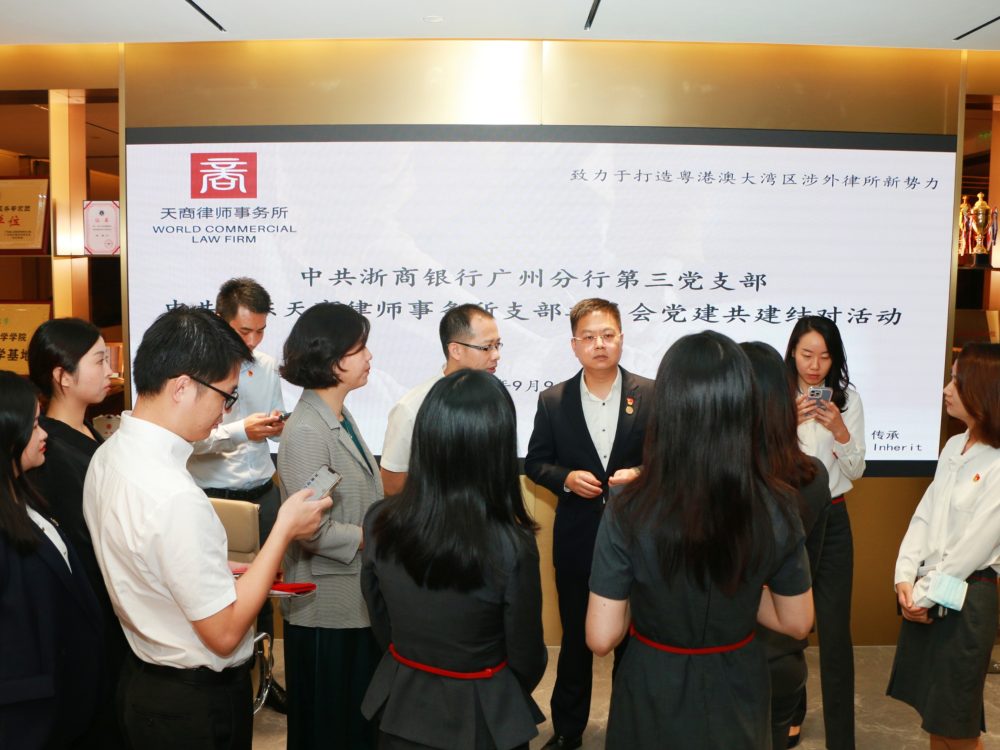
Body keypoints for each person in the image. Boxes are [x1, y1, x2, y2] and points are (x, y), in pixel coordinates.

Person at [83, 306, 331, 750]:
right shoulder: (174, 495)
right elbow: (224, 633)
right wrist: (284, 530)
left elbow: (149, 563)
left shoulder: (110, 454)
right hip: (192, 706)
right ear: (182, 387)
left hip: (143, 681)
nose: (225, 412)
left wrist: (221, 569)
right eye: (225, 395)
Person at [585, 330, 814, 749]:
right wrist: (738, 592)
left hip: (652, 688)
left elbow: (601, 638)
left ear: (667, 408)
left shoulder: (627, 506)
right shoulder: (777, 504)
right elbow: (797, 621)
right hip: (738, 686)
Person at [360, 369, 547, 749]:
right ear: (497, 449)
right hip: (484, 714)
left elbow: (380, 619)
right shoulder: (512, 545)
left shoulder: (379, 520)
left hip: (402, 706)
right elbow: (526, 657)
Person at [524, 298, 653, 750]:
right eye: (589, 337)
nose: (600, 344)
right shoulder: (553, 400)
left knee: (634, 641)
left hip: (638, 536)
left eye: (608, 335)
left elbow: (671, 458)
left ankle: (630, 728)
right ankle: (568, 729)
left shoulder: (651, 394)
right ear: (574, 344)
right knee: (578, 639)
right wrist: (565, 479)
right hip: (578, 538)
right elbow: (536, 463)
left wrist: (641, 474)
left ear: (621, 338)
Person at [278, 302, 383, 750]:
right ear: (334, 359)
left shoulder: (338, 415)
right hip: (324, 606)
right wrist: (376, 537)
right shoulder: (307, 429)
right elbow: (311, 531)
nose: (369, 357)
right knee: (327, 728)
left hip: (352, 596)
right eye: (361, 349)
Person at [888, 343, 1000, 750]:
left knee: (957, 722)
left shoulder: (997, 462)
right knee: (936, 715)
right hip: (931, 591)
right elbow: (925, 515)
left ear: (982, 390)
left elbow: (973, 549)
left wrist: (921, 596)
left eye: (956, 380)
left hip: (966, 599)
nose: (946, 389)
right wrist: (904, 577)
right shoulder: (954, 446)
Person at [187, 278, 289, 712]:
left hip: (263, 492)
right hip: (214, 498)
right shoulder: (192, 368)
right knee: (214, 593)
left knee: (262, 594)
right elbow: (188, 441)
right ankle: (221, 684)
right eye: (244, 331)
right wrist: (239, 431)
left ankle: (263, 679)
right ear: (220, 320)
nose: (252, 341)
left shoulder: (265, 365)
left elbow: (273, 429)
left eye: (260, 331)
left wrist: (275, 427)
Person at [26, 317, 127, 748]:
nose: (110, 371)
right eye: (99, 360)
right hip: (93, 610)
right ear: (63, 376)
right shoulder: (49, 449)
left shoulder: (89, 430)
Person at [0, 370, 105, 749]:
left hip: (66, 700)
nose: (43, 433)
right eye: (33, 425)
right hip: (26, 718)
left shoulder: (25, 497)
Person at [742, 341, 831, 750]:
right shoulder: (812, 477)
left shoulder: (713, 479)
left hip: (725, 654)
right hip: (781, 654)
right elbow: (806, 566)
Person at [784, 315, 866, 750]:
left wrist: (840, 431)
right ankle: (788, 715)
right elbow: (758, 458)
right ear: (792, 353)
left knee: (834, 633)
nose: (815, 366)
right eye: (807, 355)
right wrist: (786, 423)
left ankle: (842, 738)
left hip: (832, 518)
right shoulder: (775, 396)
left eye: (825, 356)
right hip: (785, 519)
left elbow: (856, 469)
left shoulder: (848, 400)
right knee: (786, 627)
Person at [380, 303, 501, 496]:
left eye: (497, 345)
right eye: (487, 347)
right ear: (456, 350)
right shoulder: (412, 407)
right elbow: (392, 484)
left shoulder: (495, 399)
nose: (496, 355)